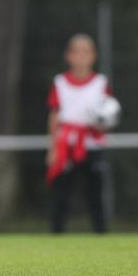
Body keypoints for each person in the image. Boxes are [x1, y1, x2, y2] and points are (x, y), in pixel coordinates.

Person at [46, 33, 111, 234]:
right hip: (67, 145)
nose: (81, 57)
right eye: (77, 52)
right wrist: (53, 148)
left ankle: (101, 236)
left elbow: (107, 115)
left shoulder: (100, 83)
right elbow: (54, 115)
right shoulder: (60, 83)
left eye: (86, 52)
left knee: (95, 195)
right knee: (61, 195)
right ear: (69, 56)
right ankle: (56, 236)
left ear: (93, 56)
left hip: (92, 146)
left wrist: (103, 127)